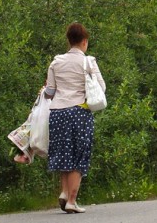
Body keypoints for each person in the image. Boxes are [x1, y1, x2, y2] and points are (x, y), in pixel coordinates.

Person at [44, 22, 106, 214]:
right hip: (79, 111)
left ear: (68, 41)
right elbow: (101, 87)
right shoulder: (88, 62)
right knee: (79, 155)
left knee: (64, 152)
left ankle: (64, 192)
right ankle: (72, 200)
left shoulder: (56, 62)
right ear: (84, 41)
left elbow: (50, 92)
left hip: (57, 112)